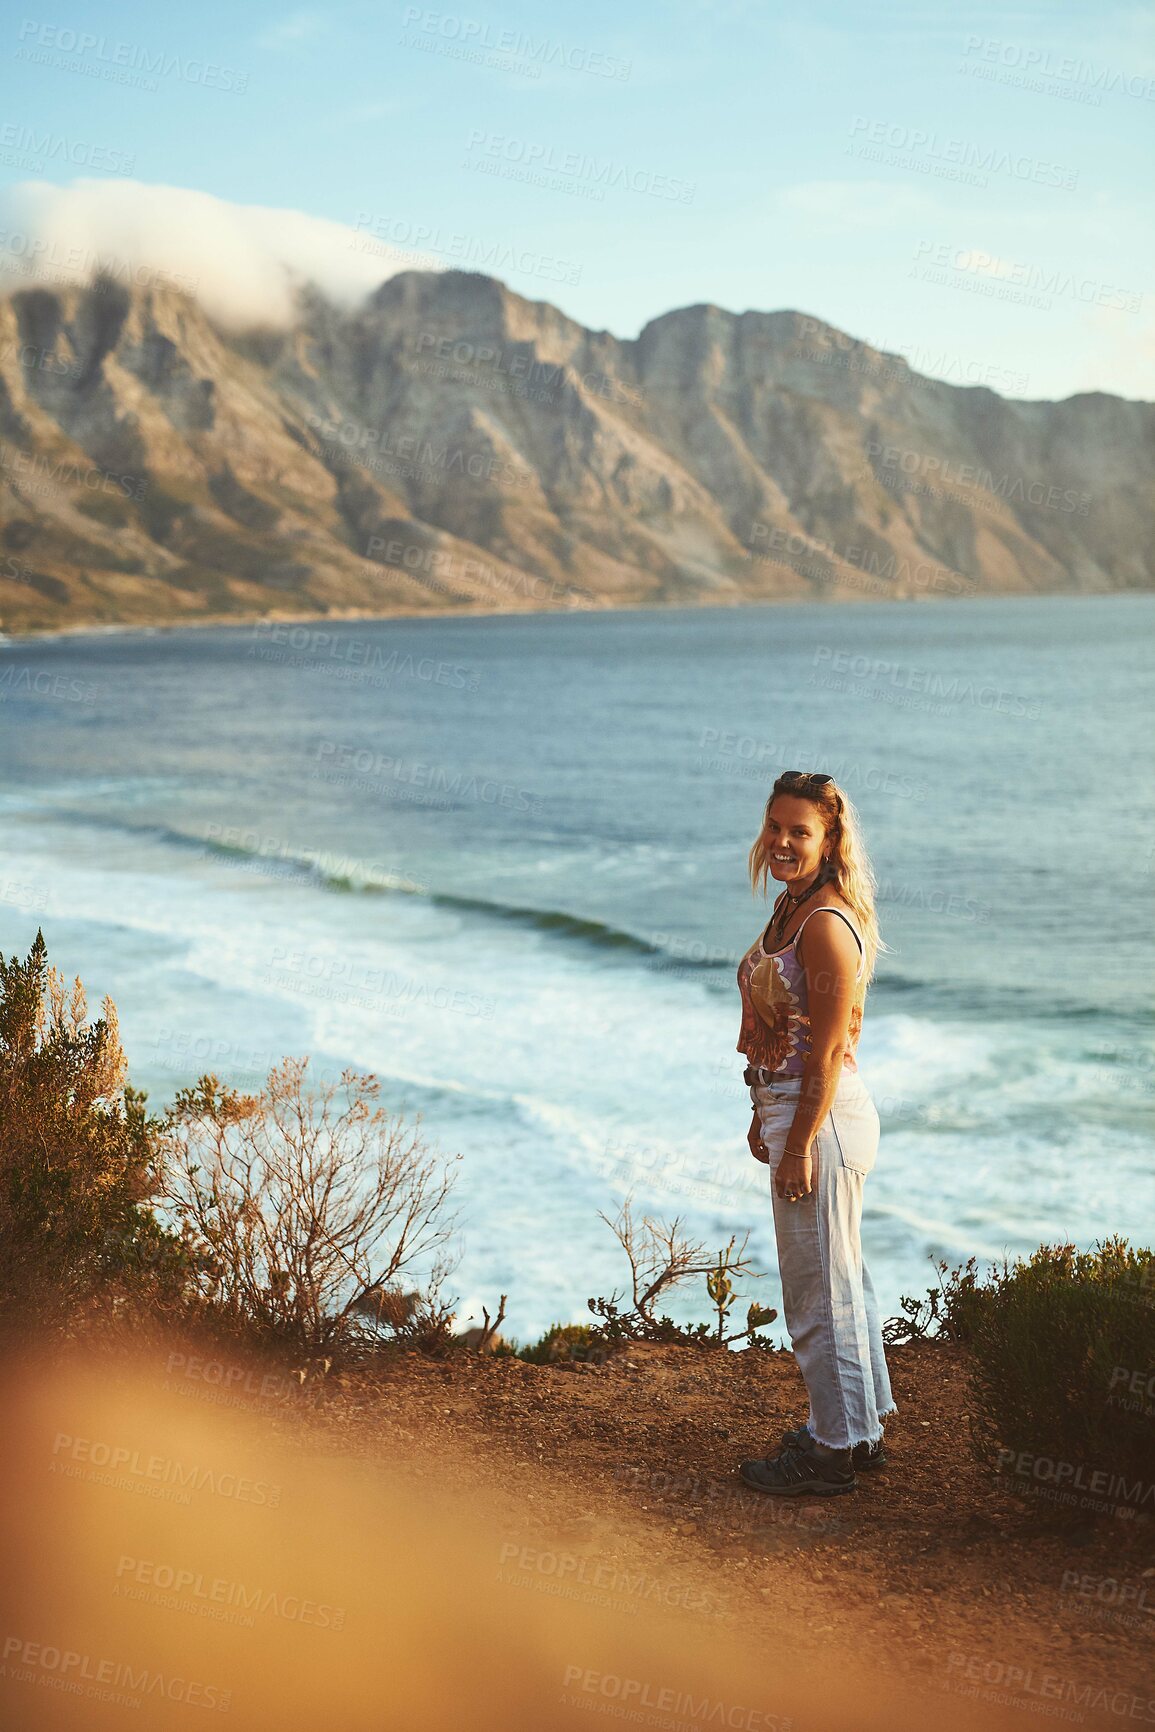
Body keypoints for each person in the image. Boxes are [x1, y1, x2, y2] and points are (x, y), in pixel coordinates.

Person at [734, 770, 894, 1496]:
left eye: (800, 831)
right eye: (775, 827)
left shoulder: (824, 924)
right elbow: (778, 1030)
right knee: (841, 1285)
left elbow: (827, 1052)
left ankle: (833, 1452)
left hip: (820, 1119)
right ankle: (858, 1431)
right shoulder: (787, 910)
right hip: (795, 1109)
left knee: (815, 1297)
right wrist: (758, 1109)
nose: (782, 842)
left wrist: (795, 1140)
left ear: (828, 841)